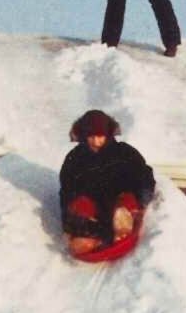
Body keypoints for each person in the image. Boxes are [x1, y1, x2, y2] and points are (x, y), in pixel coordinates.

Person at [60, 109, 156, 256]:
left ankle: (123, 225)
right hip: (93, 210)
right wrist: (68, 217)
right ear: (83, 136)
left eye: (100, 136)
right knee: (80, 206)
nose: (96, 142)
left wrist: (142, 199)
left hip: (118, 199)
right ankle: (88, 239)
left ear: (108, 135)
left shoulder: (124, 152)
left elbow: (144, 176)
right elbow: (67, 189)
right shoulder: (75, 158)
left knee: (125, 202)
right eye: (91, 137)